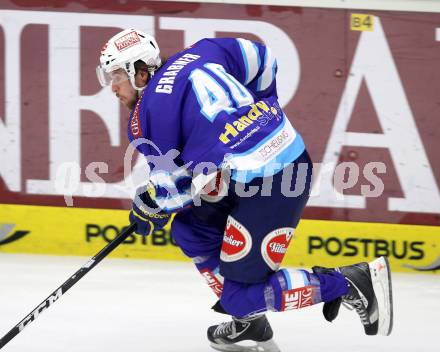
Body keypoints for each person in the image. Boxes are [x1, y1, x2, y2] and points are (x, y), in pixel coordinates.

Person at [96, 28, 393, 351]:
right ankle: (249, 325)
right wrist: (259, 116)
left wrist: (147, 208)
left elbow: (174, 188)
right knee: (191, 229)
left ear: (141, 73)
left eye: (115, 77)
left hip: (274, 183)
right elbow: (263, 60)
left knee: (240, 298)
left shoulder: (147, 115)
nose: (112, 87)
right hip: (273, 163)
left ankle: (351, 281)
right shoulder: (204, 50)